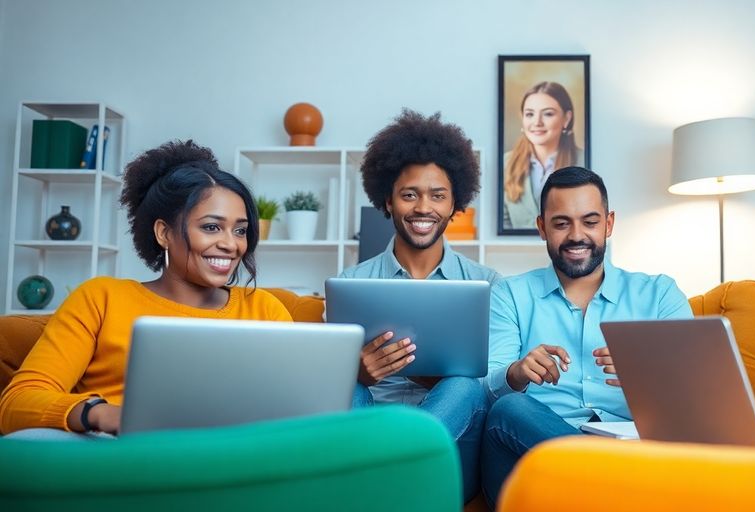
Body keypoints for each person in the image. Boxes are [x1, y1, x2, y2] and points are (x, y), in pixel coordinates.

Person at [0, 140, 291, 439]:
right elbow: (17, 402)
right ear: (164, 233)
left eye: (240, 230)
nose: (231, 244)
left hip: (239, 455)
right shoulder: (102, 299)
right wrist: (101, 414)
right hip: (127, 456)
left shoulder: (263, 308)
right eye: (211, 227)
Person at [481, 166, 693, 506]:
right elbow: (486, 388)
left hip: (631, 454)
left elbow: (697, 395)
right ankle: (606, 486)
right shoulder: (510, 294)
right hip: (534, 452)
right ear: (541, 228)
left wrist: (648, 376)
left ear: (609, 224)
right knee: (510, 408)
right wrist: (516, 373)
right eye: (562, 223)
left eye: (590, 222)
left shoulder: (660, 294)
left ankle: (595, 485)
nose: (576, 235)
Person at [338, 109, 499, 503]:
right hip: (373, 435)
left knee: (465, 386)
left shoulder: (486, 283)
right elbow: (326, 390)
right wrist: (356, 372)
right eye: (409, 194)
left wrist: (442, 379)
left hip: (453, 445)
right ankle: (400, 479)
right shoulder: (351, 282)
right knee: (347, 387)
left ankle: (396, 476)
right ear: (387, 202)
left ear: (454, 205)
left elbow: (495, 389)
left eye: (437, 195)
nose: (423, 207)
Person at [502, 81, 581, 230]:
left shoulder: (583, 163)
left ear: (567, 118)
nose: (537, 122)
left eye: (548, 114)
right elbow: (502, 223)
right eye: (530, 114)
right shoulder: (505, 164)